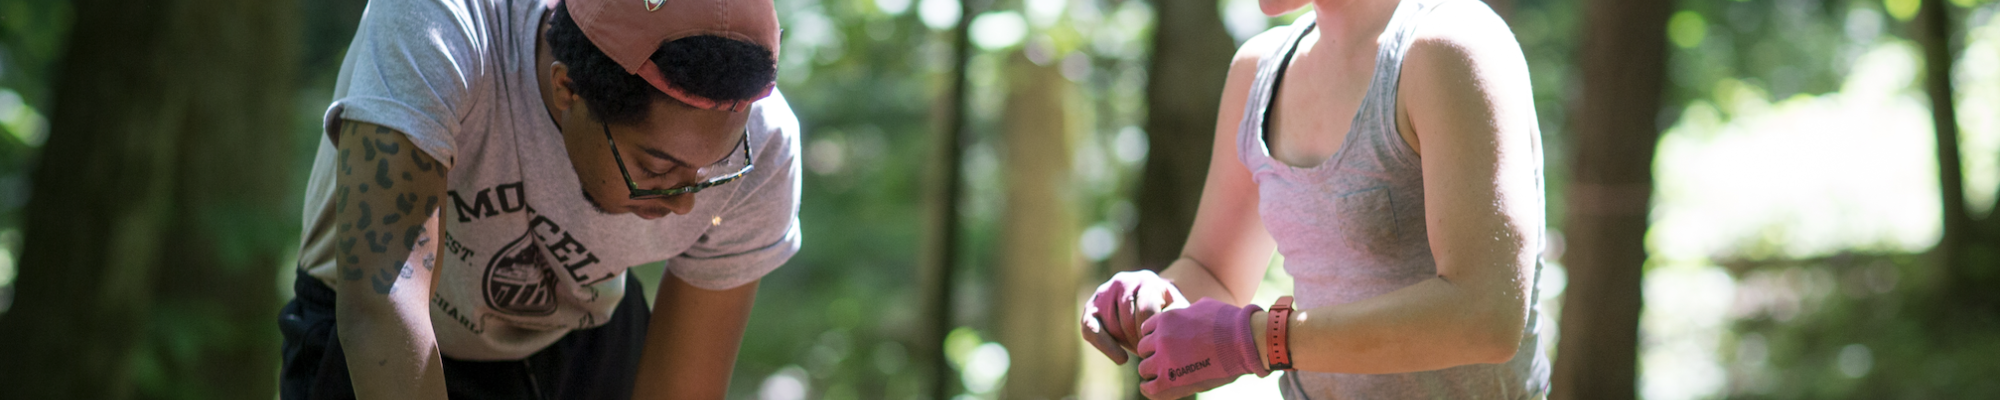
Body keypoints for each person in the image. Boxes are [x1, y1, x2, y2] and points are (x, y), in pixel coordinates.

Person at [277, 0, 802, 398]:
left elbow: (682, 388)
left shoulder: (766, 146)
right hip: (372, 341)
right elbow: (381, 304)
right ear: (567, 90)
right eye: (657, 166)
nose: (685, 203)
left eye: (713, 166)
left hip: (578, 340)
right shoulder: (439, 26)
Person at [1080, 0, 1547, 398]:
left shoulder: (1450, 45)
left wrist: (1263, 340)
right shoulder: (1259, 71)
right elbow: (1214, 273)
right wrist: (1152, 301)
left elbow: (1486, 316)